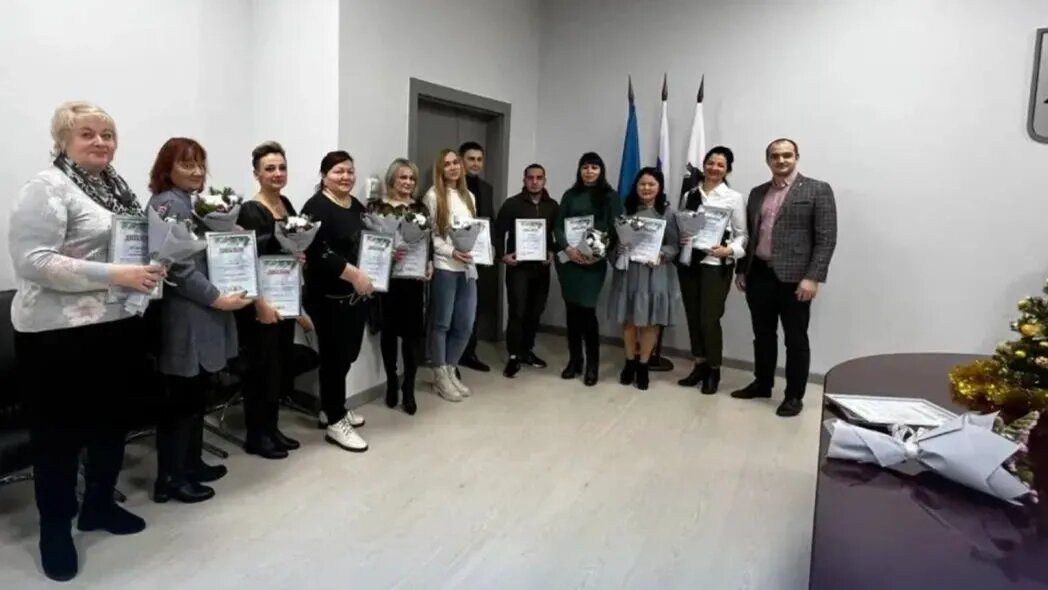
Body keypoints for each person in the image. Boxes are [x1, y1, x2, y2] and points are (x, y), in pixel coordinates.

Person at [8, 101, 161, 581]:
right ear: (63, 141)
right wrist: (116, 274)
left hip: (115, 326)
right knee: (57, 439)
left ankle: (98, 505)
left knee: (110, 426)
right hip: (57, 336)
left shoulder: (117, 188)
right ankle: (55, 531)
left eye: (107, 134)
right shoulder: (47, 186)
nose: (100, 142)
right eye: (87, 134)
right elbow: (33, 261)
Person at [147, 138, 252, 504]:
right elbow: (178, 267)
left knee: (195, 397)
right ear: (167, 169)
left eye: (199, 164)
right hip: (186, 315)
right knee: (180, 401)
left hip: (203, 312)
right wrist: (217, 297)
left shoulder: (191, 203)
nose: (196, 171)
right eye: (186, 164)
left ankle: (191, 464)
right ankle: (170, 478)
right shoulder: (167, 203)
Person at [732, 138, 838, 417]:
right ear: (768, 160)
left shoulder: (817, 189)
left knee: (795, 339)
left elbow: (826, 238)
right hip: (759, 274)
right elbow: (750, 235)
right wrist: (742, 269)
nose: (781, 160)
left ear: (796, 157)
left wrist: (813, 277)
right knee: (762, 334)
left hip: (796, 279)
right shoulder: (757, 193)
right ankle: (763, 383)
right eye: (775, 156)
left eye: (787, 155)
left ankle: (793, 395)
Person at [234, 141, 313, 458]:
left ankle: (272, 428)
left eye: (282, 167)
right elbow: (247, 261)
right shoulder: (251, 210)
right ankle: (257, 436)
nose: (277, 173)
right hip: (262, 304)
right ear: (257, 173)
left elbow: (288, 249)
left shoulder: (286, 204)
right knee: (260, 370)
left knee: (277, 368)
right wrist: (259, 303)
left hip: (284, 299)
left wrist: (299, 257)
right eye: (270, 168)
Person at [302, 150, 371, 451]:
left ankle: (332, 407)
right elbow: (316, 252)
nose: (345, 177)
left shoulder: (356, 205)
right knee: (334, 357)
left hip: (354, 296)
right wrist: (353, 274)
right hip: (327, 297)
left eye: (349, 171)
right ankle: (335, 422)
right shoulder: (316, 207)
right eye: (338, 171)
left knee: (346, 355)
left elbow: (367, 243)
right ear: (324, 175)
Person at [675, 147, 747, 394]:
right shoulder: (690, 194)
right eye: (710, 163)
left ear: (727, 170)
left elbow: (742, 235)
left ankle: (713, 369)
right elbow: (684, 224)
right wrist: (683, 237)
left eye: (720, 165)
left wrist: (729, 250)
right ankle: (699, 364)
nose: (714, 168)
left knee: (709, 318)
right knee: (693, 315)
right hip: (689, 262)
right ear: (703, 165)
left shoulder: (733, 198)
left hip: (715, 265)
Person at [553, 152, 622, 386]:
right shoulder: (570, 195)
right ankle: (575, 360)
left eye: (594, 167)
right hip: (569, 262)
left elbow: (615, 230)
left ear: (601, 170)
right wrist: (568, 249)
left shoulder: (610, 196)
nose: (589, 171)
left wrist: (596, 254)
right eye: (585, 167)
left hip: (593, 264)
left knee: (587, 312)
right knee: (572, 311)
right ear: (579, 170)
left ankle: (592, 365)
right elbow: (558, 226)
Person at [607, 168, 680, 390]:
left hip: (654, 274)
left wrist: (662, 254)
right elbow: (613, 244)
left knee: (649, 322)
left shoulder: (667, 214)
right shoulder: (625, 212)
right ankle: (629, 362)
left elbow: (674, 245)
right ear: (636, 186)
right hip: (628, 273)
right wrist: (618, 249)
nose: (646, 188)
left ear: (659, 187)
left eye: (651, 184)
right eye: (642, 184)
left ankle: (643, 365)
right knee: (629, 321)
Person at [369, 158, 432, 415]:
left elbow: (427, 241)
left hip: (413, 281)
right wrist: (387, 252)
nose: (408, 182)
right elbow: (370, 243)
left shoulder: (420, 208)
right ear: (392, 179)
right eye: (403, 177)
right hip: (388, 280)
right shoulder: (377, 207)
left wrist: (429, 264)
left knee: (412, 336)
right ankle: (392, 381)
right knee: (389, 333)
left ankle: (409, 387)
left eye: (412, 178)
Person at [494, 163, 559, 378]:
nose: (534, 182)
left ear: (544, 180)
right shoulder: (512, 204)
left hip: (541, 268)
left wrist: (552, 251)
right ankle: (513, 356)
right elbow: (497, 232)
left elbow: (558, 233)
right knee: (518, 311)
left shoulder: (552, 206)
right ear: (524, 180)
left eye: (539, 178)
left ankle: (526, 350)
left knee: (535, 311)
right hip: (518, 268)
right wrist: (503, 255)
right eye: (530, 178)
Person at [423, 148, 478, 401]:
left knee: (465, 324)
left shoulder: (469, 197)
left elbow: (474, 232)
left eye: (456, 162)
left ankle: (450, 368)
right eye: (447, 164)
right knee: (442, 323)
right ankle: (440, 375)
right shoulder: (433, 196)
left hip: (467, 269)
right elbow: (431, 237)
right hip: (445, 267)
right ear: (440, 169)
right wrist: (452, 252)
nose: (454, 167)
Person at [457, 141, 494, 373]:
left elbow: (491, 220)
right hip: (456, 255)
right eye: (471, 159)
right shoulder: (450, 188)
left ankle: (469, 352)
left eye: (479, 159)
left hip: (480, 257)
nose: (476, 164)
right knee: (454, 307)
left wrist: (493, 247)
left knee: (474, 306)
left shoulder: (487, 189)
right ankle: (452, 356)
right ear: (461, 161)